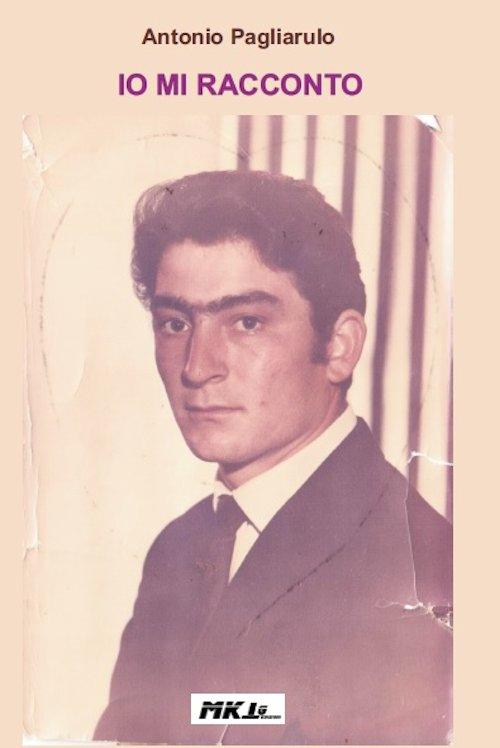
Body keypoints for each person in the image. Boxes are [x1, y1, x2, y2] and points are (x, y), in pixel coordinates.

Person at [94, 170, 452, 745]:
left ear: (339, 347)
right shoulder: (179, 549)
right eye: (175, 324)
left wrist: (194, 713)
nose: (197, 366)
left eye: (247, 322)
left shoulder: (425, 567)